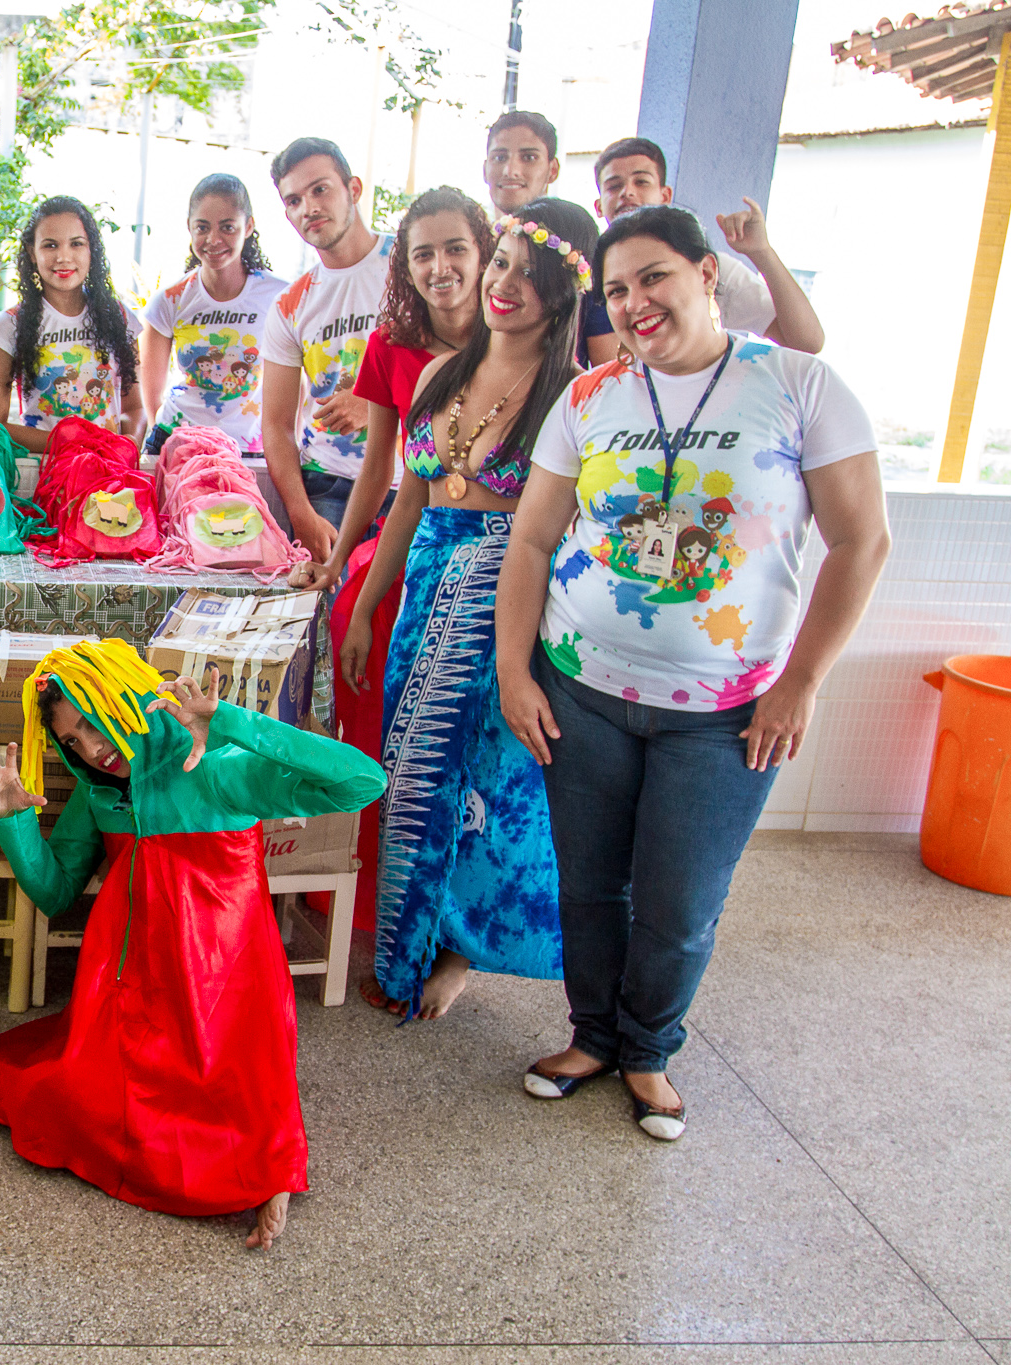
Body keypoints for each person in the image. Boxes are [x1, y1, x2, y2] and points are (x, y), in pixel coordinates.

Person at [495, 204, 890, 1141]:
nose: (635, 303)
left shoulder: (798, 383)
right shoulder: (592, 397)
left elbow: (861, 541)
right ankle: (591, 1036)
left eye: (654, 277)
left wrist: (800, 682)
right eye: (618, 288)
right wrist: (517, 670)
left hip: (729, 712)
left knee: (680, 897)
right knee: (588, 882)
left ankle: (649, 1050)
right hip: (582, 691)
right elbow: (534, 539)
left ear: (707, 274)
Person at [0, 641, 385, 1249]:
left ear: (125, 698)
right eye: (71, 742)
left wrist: (235, 722)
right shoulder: (97, 792)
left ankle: (269, 1166)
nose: (92, 751)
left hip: (226, 978)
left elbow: (362, 781)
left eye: (92, 723)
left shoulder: (213, 764)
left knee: (239, 1094)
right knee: (59, 1096)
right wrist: (11, 818)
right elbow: (54, 895)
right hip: (125, 988)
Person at [336, 197, 592, 1020]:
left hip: (506, 611)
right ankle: (405, 946)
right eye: (506, 262)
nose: (506, 283)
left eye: (532, 273)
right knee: (412, 777)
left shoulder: (577, 394)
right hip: (422, 600)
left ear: (565, 293)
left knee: (489, 790)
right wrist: (369, 605)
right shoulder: (442, 373)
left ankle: (455, 952)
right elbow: (405, 504)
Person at [315, 186, 495, 585]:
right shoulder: (388, 345)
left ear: (483, 254)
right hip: (420, 536)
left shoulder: (514, 339)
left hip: (507, 551)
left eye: (456, 249)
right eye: (423, 254)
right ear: (405, 268)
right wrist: (334, 563)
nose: (440, 267)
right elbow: (377, 467)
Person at [260, 136, 395, 563]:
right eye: (294, 200)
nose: (309, 208)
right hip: (328, 487)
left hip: (413, 484)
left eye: (321, 189)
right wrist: (302, 516)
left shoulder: (411, 265)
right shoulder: (290, 305)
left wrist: (374, 406)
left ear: (353, 189)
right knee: (328, 626)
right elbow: (276, 425)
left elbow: (457, 368)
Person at [592, 136, 825, 353]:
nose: (627, 192)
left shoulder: (702, 267)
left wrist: (761, 252)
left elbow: (807, 343)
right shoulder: (584, 269)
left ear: (665, 195)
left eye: (641, 182)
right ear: (599, 206)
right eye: (614, 186)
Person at [136, 173, 288, 456]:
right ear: (189, 228)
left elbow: (295, 390)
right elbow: (152, 400)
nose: (213, 239)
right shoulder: (169, 299)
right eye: (202, 227)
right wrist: (177, 443)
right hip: (176, 443)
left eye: (228, 227)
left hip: (248, 449)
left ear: (249, 226)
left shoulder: (280, 297)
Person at [0, 195, 144, 452]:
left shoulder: (120, 318)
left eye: (76, 244)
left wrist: (128, 445)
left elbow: (135, 409)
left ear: (92, 250)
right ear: (31, 253)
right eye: (50, 246)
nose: (63, 257)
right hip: (43, 475)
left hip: (109, 472)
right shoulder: (9, 325)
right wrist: (71, 443)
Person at [481, 111, 618, 369]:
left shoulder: (576, 247)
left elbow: (607, 372)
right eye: (500, 157)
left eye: (529, 157)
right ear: (485, 168)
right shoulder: (466, 249)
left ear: (552, 169)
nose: (511, 170)